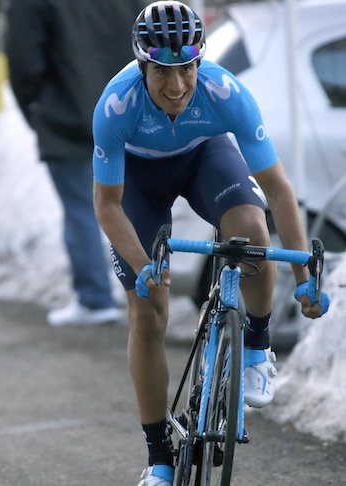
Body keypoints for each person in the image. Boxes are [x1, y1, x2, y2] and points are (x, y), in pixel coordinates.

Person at [91, 1, 331, 484]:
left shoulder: (226, 93)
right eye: (162, 71)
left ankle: (257, 348)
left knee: (251, 229)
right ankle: (159, 457)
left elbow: (281, 191)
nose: (176, 86)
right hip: (136, 183)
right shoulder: (116, 105)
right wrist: (144, 269)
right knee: (147, 308)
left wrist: (304, 276)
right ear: (143, 65)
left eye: (186, 69)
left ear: (199, 61)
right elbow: (108, 206)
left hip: (204, 159)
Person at [5, 0, 147, 326]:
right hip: (126, 110)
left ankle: (95, 297)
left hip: (66, 115)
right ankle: (147, 292)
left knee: (82, 209)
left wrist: (37, 109)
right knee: (135, 206)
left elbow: (23, 58)